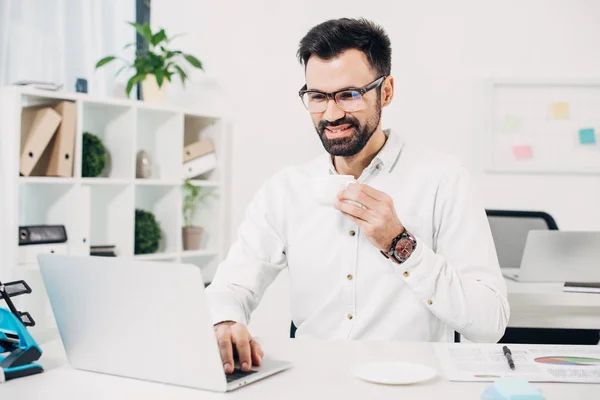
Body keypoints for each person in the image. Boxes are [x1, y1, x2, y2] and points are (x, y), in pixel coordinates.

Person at [206, 17, 509, 374]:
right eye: (318, 97)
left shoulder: (444, 181)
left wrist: (400, 245)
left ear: (386, 91)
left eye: (349, 94)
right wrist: (224, 322)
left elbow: (490, 323)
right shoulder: (285, 191)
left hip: (412, 384)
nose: (332, 114)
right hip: (312, 383)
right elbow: (232, 286)